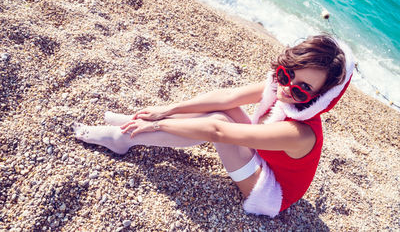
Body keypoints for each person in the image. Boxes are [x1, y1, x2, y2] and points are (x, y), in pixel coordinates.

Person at [74, 34, 354, 217]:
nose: (287, 88)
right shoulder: (281, 89)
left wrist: (161, 122)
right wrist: (168, 109)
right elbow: (228, 97)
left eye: (303, 89)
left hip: (269, 191)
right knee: (224, 108)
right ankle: (137, 125)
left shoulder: (300, 133)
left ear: (320, 98)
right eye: (285, 74)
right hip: (263, 155)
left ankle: (126, 138)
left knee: (218, 120)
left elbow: (217, 132)